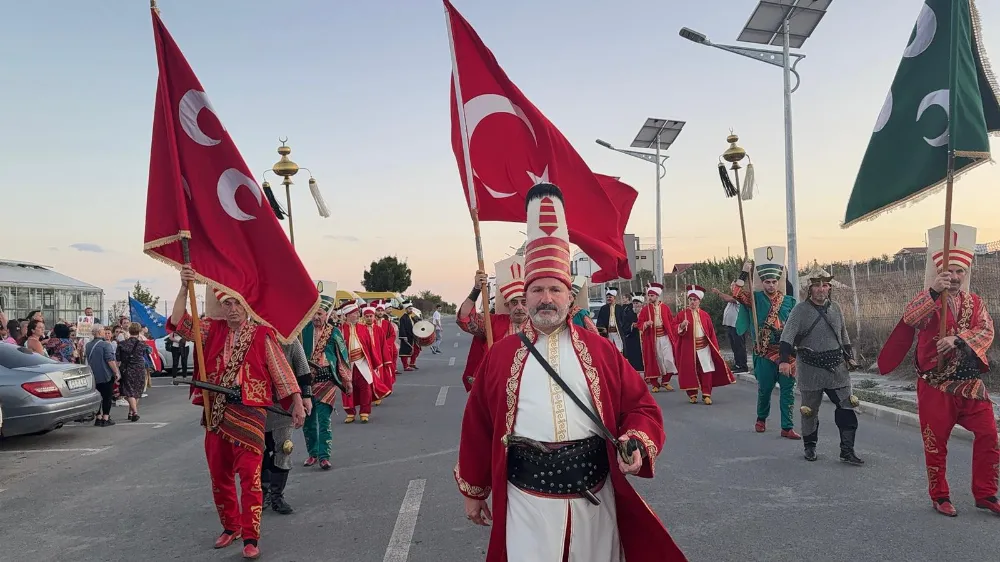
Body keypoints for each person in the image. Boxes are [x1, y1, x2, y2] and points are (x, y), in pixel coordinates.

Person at [456, 183, 687, 562]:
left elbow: (642, 409)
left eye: (555, 290)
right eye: (537, 290)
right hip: (526, 501)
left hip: (594, 498)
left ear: (569, 296)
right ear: (525, 296)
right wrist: (474, 490)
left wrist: (636, 443)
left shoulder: (600, 351)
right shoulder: (499, 356)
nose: (546, 298)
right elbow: (478, 425)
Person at [168, 265, 306, 559]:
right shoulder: (211, 330)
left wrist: (296, 401)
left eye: (236, 303)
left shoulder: (263, 334)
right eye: (226, 303)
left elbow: (281, 371)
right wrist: (183, 287)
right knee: (219, 476)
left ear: (247, 305)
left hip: (250, 414)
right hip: (216, 413)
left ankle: (251, 535)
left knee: (250, 478)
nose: (231, 309)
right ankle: (231, 526)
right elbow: (178, 322)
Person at [879, 224, 999, 517]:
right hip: (935, 386)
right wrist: (934, 292)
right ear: (938, 274)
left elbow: (986, 331)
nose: (955, 278)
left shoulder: (975, 302)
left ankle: (985, 493)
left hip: (969, 385)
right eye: (949, 272)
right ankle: (940, 495)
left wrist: (958, 340)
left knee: (989, 436)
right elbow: (909, 319)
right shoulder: (928, 299)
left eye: (960, 272)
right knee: (936, 444)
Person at [779, 266, 864, 464]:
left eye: (825, 285)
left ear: (829, 288)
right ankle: (810, 446)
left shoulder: (836, 308)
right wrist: (784, 360)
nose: (821, 289)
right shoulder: (800, 310)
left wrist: (849, 357)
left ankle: (847, 450)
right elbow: (787, 337)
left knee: (847, 407)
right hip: (810, 367)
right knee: (809, 410)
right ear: (810, 289)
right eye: (816, 285)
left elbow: (843, 335)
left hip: (837, 367)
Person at [732, 247, 800, 439]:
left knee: (788, 391)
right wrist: (744, 271)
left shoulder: (789, 301)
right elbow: (736, 291)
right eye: (767, 282)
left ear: (778, 282)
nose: (771, 285)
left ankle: (787, 427)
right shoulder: (754, 299)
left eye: (774, 282)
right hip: (764, 352)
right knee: (765, 389)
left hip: (786, 352)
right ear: (762, 283)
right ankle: (761, 418)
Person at [457, 256, 530, 392]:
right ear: (507, 305)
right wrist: (476, 289)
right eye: (515, 303)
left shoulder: (540, 325)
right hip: (496, 386)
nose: (519, 307)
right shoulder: (494, 323)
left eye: (524, 302)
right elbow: (465, 317)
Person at [262, 338, 313, 514]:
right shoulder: (250, 336)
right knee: (260, 451)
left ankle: (277, 496)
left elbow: (303, 370)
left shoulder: (289, 339)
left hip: (283, 404)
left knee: (283, 449)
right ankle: (262, 492)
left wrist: (305, 397)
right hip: (257, 404)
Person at [301, 297, 351, 469]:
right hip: (307, 381)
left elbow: (342, 357)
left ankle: (324, 456)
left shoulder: (334, 332)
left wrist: (347, 379)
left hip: (327, 381)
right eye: (314, 313)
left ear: (327, 315)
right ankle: (312, 454)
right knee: (308, 421)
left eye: (320, 313)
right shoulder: (303, 331)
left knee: (323, 420)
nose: (316, 317)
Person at [675, 285, 735, 405]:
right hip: (689, 348)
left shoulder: (704, 315)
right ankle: (692, 394)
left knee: (706, 369)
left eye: (695, 299)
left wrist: (715, 348)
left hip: (704, 347)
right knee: (690, 370)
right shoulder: (682, 315)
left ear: (699, 301)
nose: (692, 302)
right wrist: (681, 326)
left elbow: (711, 332)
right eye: (690, 299)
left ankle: (706, 394)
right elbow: (673, 327)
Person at [338, 299, 387, 423]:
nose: (357, 315)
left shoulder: (362, 328)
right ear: (348, 315)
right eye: (354, 313)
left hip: (361, 361)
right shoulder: (340, 330)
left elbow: (370, 346)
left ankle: (365, 412)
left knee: (366, 387)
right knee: (348, 388)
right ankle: (350, 412)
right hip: (348, 364)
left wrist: (375, 363)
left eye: (357, 312)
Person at [637, 283, 679, 392]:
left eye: (651, 295)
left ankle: (665, 381)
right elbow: (639, 323)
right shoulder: (645, 310)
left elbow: (671, 322)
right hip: (652, 339)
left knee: (669, 359)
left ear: (657, 296)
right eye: (648, 295)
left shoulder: (665, 308)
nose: (649, 297)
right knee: (656, 360)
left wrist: (675, 331)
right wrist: (646, 323)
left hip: (665, 337)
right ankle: (655, 384)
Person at [85, 325, 120, 426]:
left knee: (97, 397)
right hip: (105, 374)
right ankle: (106, 417)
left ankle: (98, 417)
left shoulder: (88, 345)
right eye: (103, 330)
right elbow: (110, 360)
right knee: (107, 397)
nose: (105, 332)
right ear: (100, 332)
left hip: (93, 374)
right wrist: (116, 372)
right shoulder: (106, 345)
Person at [116, 322, 151, 422]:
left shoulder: (122, 344)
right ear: (139, 331)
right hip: (139, 368)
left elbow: (118, 358)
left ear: (129, 331)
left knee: (129, 390)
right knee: (137, 390)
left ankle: (132, 412)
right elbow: (148, 353)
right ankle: (133, 412)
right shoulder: (142, 344)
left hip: (127, 368)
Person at [711, 285, 749, 374]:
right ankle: (737, 364)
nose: (732, 288)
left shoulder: (741, 298)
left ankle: (743, 365)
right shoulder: (734, 297)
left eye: (734, 286)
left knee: (739, 346)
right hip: (731, 325)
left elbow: (728, 299)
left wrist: (718, 292)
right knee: (734, 346)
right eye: (731, 286)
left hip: (737, 326)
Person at [622, 294, 645, 374]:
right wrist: (632, 325)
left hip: (644, 337)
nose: (635, 305)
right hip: (632, 338)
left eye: (637, 303)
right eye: (634, 303)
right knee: (634, 356)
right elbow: (624, 325)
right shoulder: (627, 312)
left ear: (641, 304)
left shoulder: (646, 312)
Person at [398, 301, 419, 371]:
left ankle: (412, 363)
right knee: (405, 352)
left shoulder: (412, 317)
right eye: (409, 309)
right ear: (406, 309)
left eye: (411, 309)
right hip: (406, 337)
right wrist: (404, 337)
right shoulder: (403, 318)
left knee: (416, 350)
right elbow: (402, 328)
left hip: (413, 337)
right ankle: (405, 366)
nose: (411, 310)